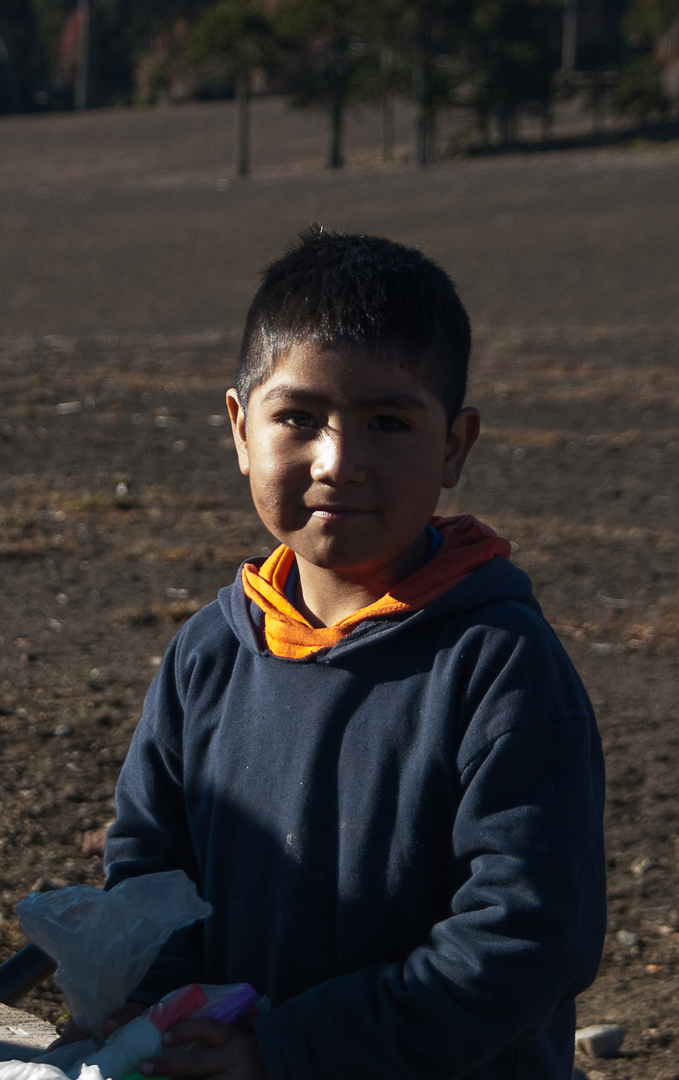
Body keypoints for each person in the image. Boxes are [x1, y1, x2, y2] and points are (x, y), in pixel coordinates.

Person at [100, 227, 606, 1080]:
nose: (340, 464)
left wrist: (288, 1051)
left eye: (388, 424)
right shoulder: (211, 653)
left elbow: (526, 941)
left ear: (454, 447)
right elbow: (151, 871)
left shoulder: (499, 669)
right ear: (238, 428)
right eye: (298, 418)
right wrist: (161, 1019)